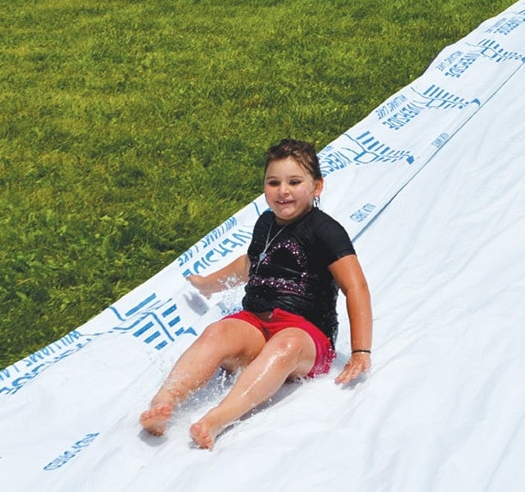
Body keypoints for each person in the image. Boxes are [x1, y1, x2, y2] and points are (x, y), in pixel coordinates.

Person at [139, 139, 373, 449]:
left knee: (285, 344)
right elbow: (251, 264)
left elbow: (355, 286)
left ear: (317, 187)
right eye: (273, 182)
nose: (282, 191)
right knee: (217, 331)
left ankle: (218, 417)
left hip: (306, 335)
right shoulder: (265, 223)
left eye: (294, 182)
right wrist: (210, 284)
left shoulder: (325, 230)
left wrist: (360, 351)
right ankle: (163, 404)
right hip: (257, 323)